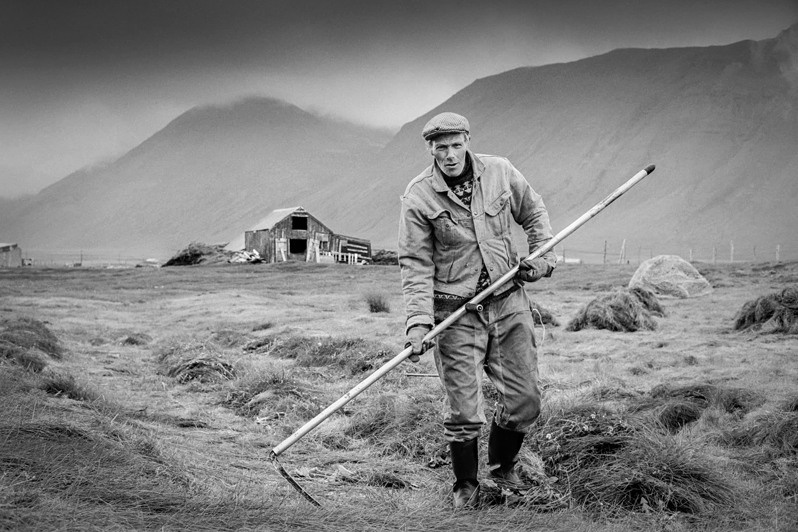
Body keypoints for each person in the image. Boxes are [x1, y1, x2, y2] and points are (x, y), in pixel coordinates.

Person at [398, 112, 557, 509]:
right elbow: (415, 264)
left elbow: (534, 213)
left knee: (525, 401)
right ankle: (466, 485)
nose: (449, 155)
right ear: (429, 149)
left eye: (455, 145)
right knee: (465, 411)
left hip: (507, 302)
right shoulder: (418, 196)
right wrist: (418, 323)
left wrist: (542, 257)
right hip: (455, 314)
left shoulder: (500, 172)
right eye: (440, 148)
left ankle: (503, 467)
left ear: (467, 139)